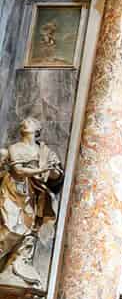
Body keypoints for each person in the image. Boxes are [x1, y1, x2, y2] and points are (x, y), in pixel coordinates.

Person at [0, 118, 63, 288]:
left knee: (26, 230)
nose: (25, 122)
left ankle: (16, 266)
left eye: (31, 121)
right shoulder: (15, 148)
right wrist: (42, 169)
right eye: (24, 121)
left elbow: (56, 176)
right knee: (10, 228)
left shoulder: (45, 152)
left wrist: (53, 171)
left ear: (38, 129)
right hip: (13, 190)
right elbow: (18, 170)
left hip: (32, 194)